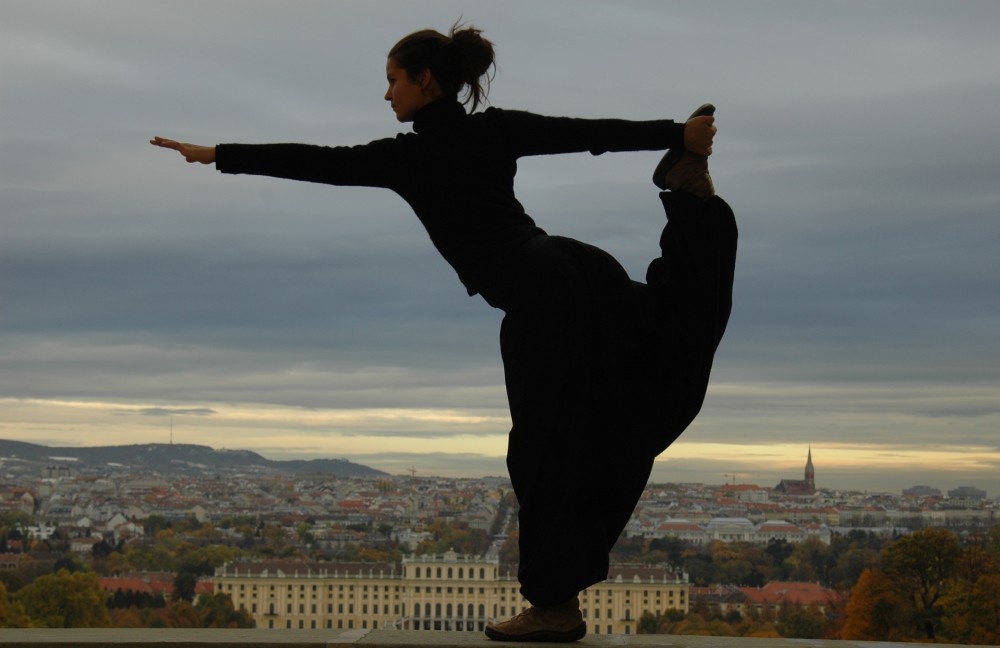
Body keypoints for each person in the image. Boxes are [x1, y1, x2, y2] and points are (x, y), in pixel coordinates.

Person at [152, 23, 736, 643]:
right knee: (633, 364)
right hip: (574, 266)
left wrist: (217, 155)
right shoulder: (493, 129)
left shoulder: (407, 156)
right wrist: (674, 135)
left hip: (541, 299)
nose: (387, 96)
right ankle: (690, 202)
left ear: (424, 80)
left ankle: (554, 607)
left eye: (392, 81)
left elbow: (314, 163)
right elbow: (583, 134)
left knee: (546, 452)